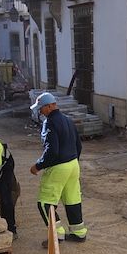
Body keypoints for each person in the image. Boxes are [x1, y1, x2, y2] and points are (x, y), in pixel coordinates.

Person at [29, 92, 86, 244]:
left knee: (44, 202)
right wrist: (72, 162)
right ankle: (79, 232)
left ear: (49, 106)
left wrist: (38, 166)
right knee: (72, 199)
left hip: (59, 166)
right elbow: (78, 145)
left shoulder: (50, 123)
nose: (40, 112)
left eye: (41, 108)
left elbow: (52, 151)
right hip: (73, 164)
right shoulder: (68, 120)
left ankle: (57, 235)